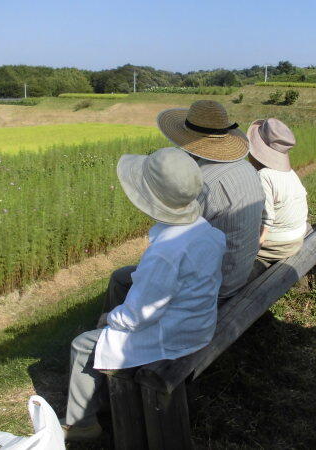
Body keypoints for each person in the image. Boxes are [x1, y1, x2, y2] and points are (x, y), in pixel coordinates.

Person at [63, 147, 226, 441]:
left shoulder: (165, 253)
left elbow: (140, 315)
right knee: (122, 284)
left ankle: (81, 424)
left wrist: (110, 319)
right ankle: (98, 387)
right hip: (199, 322)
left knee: (81, 346)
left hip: (174, 336)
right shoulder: (205, 230)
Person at [155, 100, 265, 301]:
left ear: (186, 141)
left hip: (216, 287)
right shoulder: (248, 169)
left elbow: (170, 246)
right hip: (241, 270)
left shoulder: (199, 183)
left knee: (121, 279)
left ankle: (106, 331)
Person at [246, 118, 309, 279]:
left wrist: (253, 251)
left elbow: (267, 219)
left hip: (277, 246)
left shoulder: (264, 175)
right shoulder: (289, 173)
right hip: (297, 238)